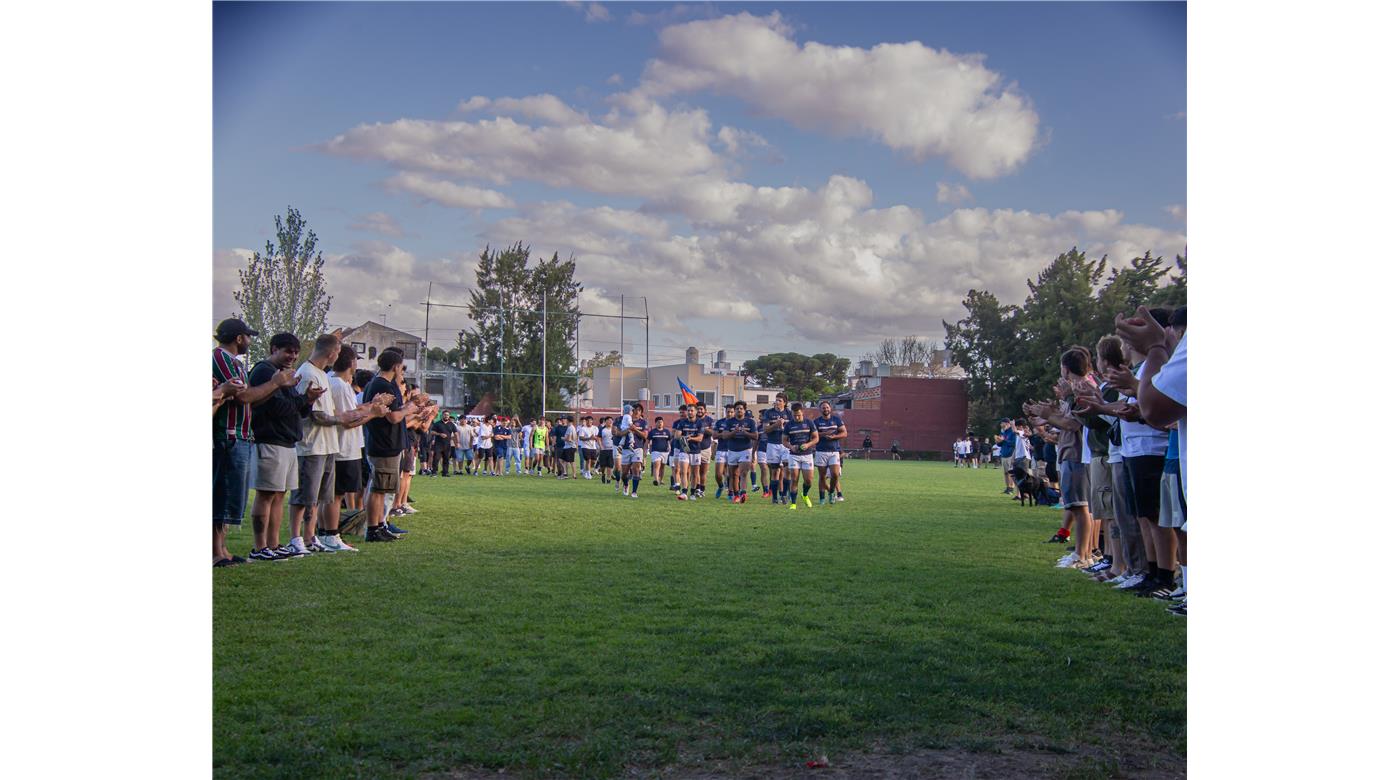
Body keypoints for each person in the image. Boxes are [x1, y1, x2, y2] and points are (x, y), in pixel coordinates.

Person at [213, 318, 291, 567]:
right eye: (247, 336)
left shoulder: (235, 362)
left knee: (232, 496)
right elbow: (243, 395)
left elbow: (248, 398)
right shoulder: (221, 358)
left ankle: (223, 549)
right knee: (223, 495)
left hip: (241, 434)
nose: (249, 341)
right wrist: (275, 383)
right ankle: (215, 551)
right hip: (228, 433)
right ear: (238, 338)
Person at [246, 333, 325, 560]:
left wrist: (308, 399)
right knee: (266, 495)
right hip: (270, 441)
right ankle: (259, 547)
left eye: (295, 352)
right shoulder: (264, 371)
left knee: (280, 495)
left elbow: (297, 411)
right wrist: (299, 400)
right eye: (287, 351)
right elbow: (278, 407)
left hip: (288, 442)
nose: (292, 356)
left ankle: (274, 543)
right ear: (274, 349)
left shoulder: (286, 375)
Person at [360, 350, 422, 542]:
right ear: (396, 366)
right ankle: (373, 528)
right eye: (401, 367)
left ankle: (381, 524)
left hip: (387, 443)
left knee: (384, 488)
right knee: (379, 489)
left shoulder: (380, 384)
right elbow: (393, 416)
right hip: (384, 444)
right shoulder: (382, 385)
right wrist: (409, 408)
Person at [783, 402, 819, 508]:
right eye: (794, 415)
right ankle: (793, 503)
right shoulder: (789, 425)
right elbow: (784, 441)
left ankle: (804, 494)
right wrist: (790, 447)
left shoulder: (809, 422)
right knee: (794, 479)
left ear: (802, 412)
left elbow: (816, 438)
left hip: (807, 455)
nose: (797, 417)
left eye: (798, 415)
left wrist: (808, 444)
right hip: (794, 455)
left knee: (809, 481)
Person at [761, 394, 795, 503]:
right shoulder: (768, 412)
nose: (777, 402)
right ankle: (774, 498)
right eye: (776, 400)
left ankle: (784, 495)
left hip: (786, 444)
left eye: (779, 400)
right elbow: (765, 429)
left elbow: (794, 428)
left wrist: (784, 427)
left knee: (787, 470)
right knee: (775, 472)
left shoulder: (789, 413)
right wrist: (776, 424)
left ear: (784, 402)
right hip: (772, 444)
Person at [813, 400, 847, 505]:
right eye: (823, 407)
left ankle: (832, 493)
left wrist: (834, 436)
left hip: (834, 451)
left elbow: (844, 433)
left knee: (835, 475)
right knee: (822, 476)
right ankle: (822, 498)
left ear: (830, 408)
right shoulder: (816, 422)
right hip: (821, 451)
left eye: (827, 407)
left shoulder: (836, 420)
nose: (825, 409)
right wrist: (824, 434)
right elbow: (812, 435)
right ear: (820, 409)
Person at [693, 402, 715, 498]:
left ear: (705, 410)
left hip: (706, 448)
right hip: (694, 448)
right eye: (698, 409)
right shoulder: (692, 419)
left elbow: (712, 432)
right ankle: (697, 488)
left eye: (701, 409)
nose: (699, 411)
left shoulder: (710, 420)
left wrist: (702, 429)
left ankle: (702, 489)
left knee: (703, 471)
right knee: (695, 470)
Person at [996, 419, 1017, 494]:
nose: (1001, 425)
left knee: (1011, 472)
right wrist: (998, 441)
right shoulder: (1003, 432)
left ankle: (1011, 488)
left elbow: (1014, 443)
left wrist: (1004, 440)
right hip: (1004, 454)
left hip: (1010, 454)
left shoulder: (1012, 432)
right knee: (1005, 473)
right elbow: (1000, 444)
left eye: (1002, 423)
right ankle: (1007, 487)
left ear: (1007, 423)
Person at [578, 415, 598, 479]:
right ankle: (588, 473)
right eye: (587, 421)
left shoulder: (595, 428)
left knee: (594, 461)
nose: (589, 422)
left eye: (590, 421)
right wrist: (589, 438)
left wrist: (595, 438)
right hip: (585, 447)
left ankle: (585, 470)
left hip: (593, 447)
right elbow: (581, 438)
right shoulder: (583, 428)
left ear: (592, 421)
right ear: (586, 421)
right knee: (588, 460)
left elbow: (597, 437)